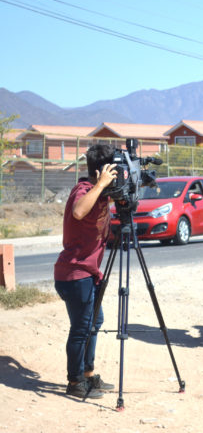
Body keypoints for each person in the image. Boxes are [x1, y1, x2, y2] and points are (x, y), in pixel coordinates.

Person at [54, 144, 117, 399]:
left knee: (95, 321)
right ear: (103, 171)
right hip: (74, 274)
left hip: (88, 274)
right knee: (81, 327)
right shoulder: (84, 190)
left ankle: (88, 374)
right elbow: (79, 211)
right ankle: (75, 381)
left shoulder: (100, 195)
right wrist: (101, 185)